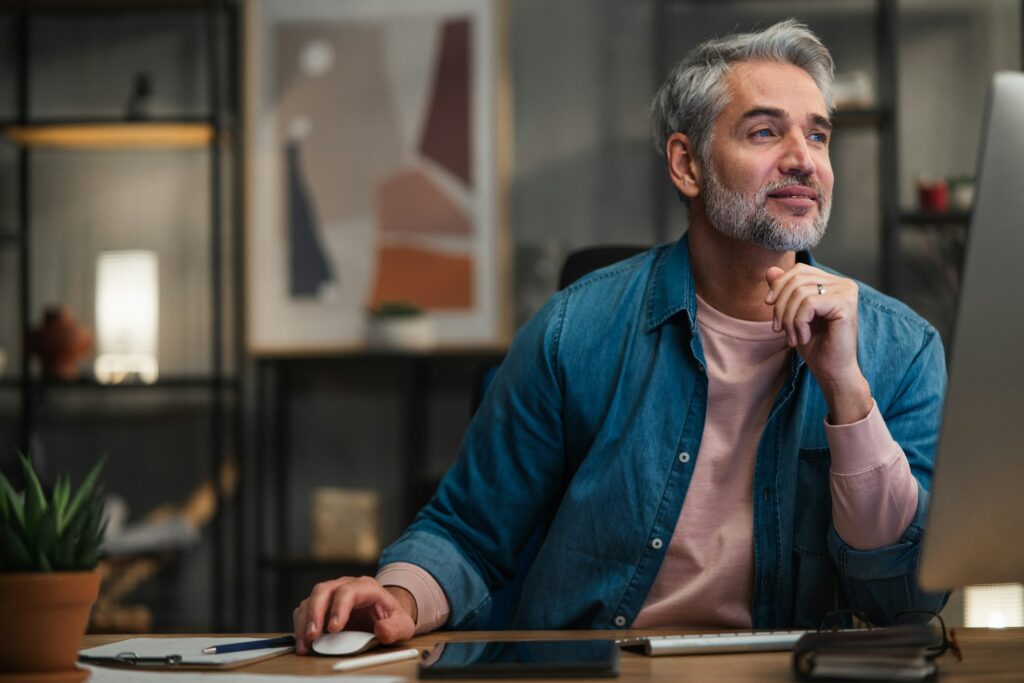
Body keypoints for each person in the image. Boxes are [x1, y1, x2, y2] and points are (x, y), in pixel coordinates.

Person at [293, 19, 948, 653]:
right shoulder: (572, 331)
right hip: (592, 674)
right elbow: (469, 530)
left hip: (786, 673)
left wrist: (847, 392)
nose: (804, 159)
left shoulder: (901, 350)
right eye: (764, 131)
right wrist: (396, 598)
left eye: (819, 135)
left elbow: (906, 599)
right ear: (686, 164)